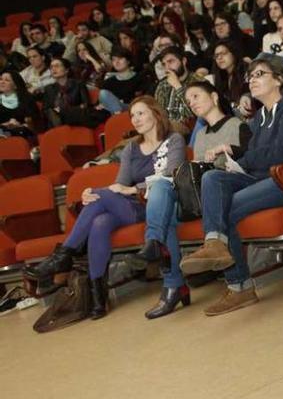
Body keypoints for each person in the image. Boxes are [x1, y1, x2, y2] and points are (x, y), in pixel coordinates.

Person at [179, 56, 283, 316]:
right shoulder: (260, 116)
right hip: (265, 178)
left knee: (226, 208)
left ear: (278, 79)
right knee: (213, 178)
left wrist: (242, 161)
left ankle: (239, 286)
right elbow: (254, 152)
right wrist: (236, 160)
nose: (252, 80)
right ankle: (214, 243)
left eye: (259, 74)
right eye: (250, 76)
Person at [27, 96, 186, 319]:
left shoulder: (174, 140)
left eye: (140, 113)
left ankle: (65, 255)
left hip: (161, 204)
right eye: (132, 115)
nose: (135, 119)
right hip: (134, 207)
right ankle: (97, 298)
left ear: (155, 113)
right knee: (100, 219)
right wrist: (94, 193)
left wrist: (131, 190)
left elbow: (173, 175)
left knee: (99, 203)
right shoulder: (132, 148)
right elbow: (119, 184)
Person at [134, 81, 251, 319]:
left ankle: (175, 282)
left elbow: (249, 161)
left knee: (209, 179)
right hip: (200, 195)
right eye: (189, 101)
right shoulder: (199, 136)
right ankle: (161, 257)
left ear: (215, 97)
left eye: (196, 96)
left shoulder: (236, 124)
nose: (192, 103)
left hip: (230, 188)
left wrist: (224, 152)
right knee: (161, 197)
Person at [42, 57, 109, 128]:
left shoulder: (78, 84)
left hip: (77, 117)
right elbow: (47, 109)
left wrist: (63, 110)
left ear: (66, 70)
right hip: (58, 120)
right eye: (51, 67)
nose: (53, 69)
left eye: (57, 66)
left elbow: (85, 105)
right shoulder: (49, 89)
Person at [152, 46, 198, 134]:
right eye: (164, 64)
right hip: (163, 126)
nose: (167, 67)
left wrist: (177, 86)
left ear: (184, 61)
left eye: (170, 61)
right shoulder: (163, 85)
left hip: (187, 127)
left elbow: (194, 115)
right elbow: (158, 113)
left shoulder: (198, 82)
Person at [98, 46, 151, 114]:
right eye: (114, 60)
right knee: (103, 93)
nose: (116, 62)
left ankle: (117, 113)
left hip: (132, 108)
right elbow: (104, 102)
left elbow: (142, 99)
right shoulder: (109, 81)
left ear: (128, 61)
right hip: (115, 111)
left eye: (120, 58)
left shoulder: (139, 77)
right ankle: (117, 113)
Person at [211, 40, 253, 117]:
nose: (219, 58)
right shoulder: (220, 78)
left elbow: (252, 94)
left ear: (234, 53)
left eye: (223, 53)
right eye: (216, 56)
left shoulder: (247, 70)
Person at [0, 70, 41, 139]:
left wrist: (20, 125)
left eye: (7, 80)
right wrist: (5, 125)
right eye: (1, 79)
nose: (2, 82)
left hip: (23, 135)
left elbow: (36, 125)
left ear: (15, 85)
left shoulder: (27, 99)